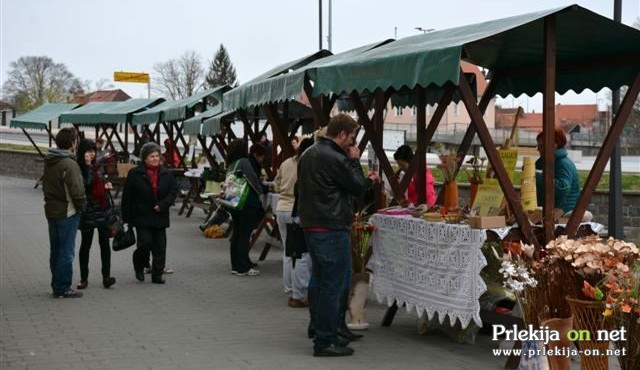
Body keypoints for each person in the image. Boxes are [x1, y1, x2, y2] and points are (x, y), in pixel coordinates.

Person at [298, 114, 380, 357]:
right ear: (341, 134)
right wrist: (355, 162)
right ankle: (325, 340)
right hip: (331, 226)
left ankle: (321, 329)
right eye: (351, 138)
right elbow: (357, 186)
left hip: (312, 224)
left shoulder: (309, 153)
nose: (353, 145)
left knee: (320, 281)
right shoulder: (335, 156)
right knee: (331, 286)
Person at [122, 142, 178, 284]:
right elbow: (127, 196)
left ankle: (157, 274)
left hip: (160, 214)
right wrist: (126, 217)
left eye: (157, 156)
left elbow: (173, 192)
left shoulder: (167, 174)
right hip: (142, 215)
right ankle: (139, 265)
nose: (155, 159)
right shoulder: (135, 173)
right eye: (151, 156)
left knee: (160, 246)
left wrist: (163, 205)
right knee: (145, 244)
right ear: (144, 158)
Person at [43, 128, 87, 298]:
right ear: (72, 143)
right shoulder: (69, 163)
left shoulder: (50, 160)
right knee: (66, 252)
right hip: (67, 211)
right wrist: (82, 207)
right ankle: (63, 287)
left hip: (52, 210)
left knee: (56, 250)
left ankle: (57, 284)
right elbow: (77, 191)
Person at [274, 138, 314, 308]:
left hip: (281, 207)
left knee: (288, 252)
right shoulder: (308, 165)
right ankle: (298, 294)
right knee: (301, 254)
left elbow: (276, 183)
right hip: (296, 211)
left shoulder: (286, 162)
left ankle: (289, 288)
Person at [75, 139, 117, 290]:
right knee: (86, 244)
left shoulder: (98, 166)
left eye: (93, 150)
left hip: (102, 209)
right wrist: (87, 166)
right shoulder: (79, 167)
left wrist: (106, 186)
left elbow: (97, 184)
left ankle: (106, 277)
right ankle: (83, 278)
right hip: (88, 211)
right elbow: (86, 184)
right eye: (88, 151)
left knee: (105, 244)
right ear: (82, 152)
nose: (92, 154)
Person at [225, 140, 265, 276]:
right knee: (244, 235)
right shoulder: (244, 161)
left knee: (237, 233)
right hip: (247, 202)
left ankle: (236, 265)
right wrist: (261, 192)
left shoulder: (232, 164)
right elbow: (252, 178)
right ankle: (243, 267)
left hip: (234, 202)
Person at [535, 128, 580, 213]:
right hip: (555, 212)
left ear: (554, 145)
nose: (538, 149)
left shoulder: (563, 164)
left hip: (562, 215)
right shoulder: (551, 162)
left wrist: (535, 176)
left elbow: (562, 187)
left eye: (541, 146)